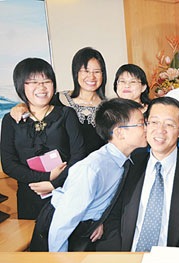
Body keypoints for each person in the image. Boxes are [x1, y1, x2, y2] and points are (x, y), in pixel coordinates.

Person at [96, 96, 179, 252]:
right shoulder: (130, 163)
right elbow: (112, 215)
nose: (160, 130)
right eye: (154, 122)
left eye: (169, 124)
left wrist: (176, 257)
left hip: (177, 259)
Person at [30, 98, 147, 252]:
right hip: (59, 227)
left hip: (86, 224)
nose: (147, 128)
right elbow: (63, 222)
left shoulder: (124, 160)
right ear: (119, 133)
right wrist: (58, 261)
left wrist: (99, 219)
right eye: (141, 124)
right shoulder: (92, 169)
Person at [0, 58, 86, 220]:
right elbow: (9, 164)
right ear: (21, 86)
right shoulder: (11, 120)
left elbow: (79, 156)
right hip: (29, 197)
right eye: (33, 82)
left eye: (47, 81)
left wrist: (55, 183)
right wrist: (45, 179)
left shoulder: (66, 114)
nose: (41, 87)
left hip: (65, 192)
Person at [10, 47, 107, 155]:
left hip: (97, 168)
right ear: (76, 72)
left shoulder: (109, 108)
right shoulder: (58, 99)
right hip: (62, 168)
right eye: (86, 71)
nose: (91, 76)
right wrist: (21, 106)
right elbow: (36, 106)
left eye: (97, 72)